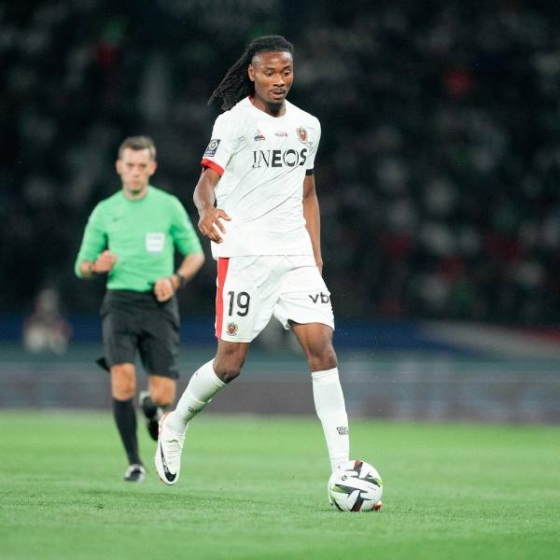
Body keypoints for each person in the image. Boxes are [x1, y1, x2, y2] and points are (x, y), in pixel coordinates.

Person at [155, 35, 351, 486]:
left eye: (286, 71)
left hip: (295, 254)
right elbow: (205, 184)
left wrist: (316, 254)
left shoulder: (308, 126)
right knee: (229, 365)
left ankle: (342, 467)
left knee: (323, 351)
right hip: (244, 255)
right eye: (269, 72)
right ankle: (176, 423)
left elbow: (308, 193)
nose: (279, 80)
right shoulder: (234, 123)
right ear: (252, 73)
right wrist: (206, 211)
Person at [75, 135, 205, 483]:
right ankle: (135, 462)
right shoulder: (105, 211)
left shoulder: (168, 206)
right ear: (119, 167)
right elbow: (81, 265)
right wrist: (96, 266)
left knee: (163, 395)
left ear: (152, 167)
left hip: (159, 304)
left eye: (141, 166)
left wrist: (175, 280)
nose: (135, 172)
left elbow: (195, 255)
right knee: (123, 382)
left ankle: (151, 407)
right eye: (129, 165)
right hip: (119, 302)